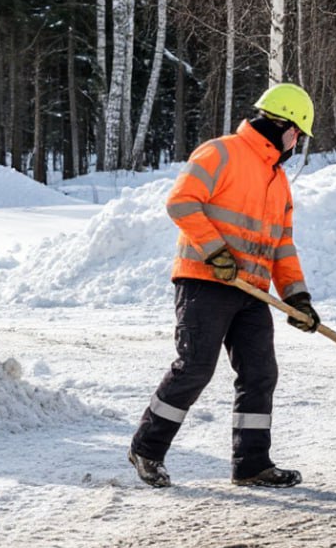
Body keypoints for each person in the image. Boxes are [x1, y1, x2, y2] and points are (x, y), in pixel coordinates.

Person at [127, 82, 321, 489]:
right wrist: (215, 250)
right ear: (282, 124)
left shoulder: (279, 181)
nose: (297, 142)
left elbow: (282, 244)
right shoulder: (221, 152)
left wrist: (296, 296)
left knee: (260, 373)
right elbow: (181, 201)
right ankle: (147, 449)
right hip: (205, 282)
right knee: (195, 368)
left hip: (251, 292)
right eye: (297, 133)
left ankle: (251, 465)